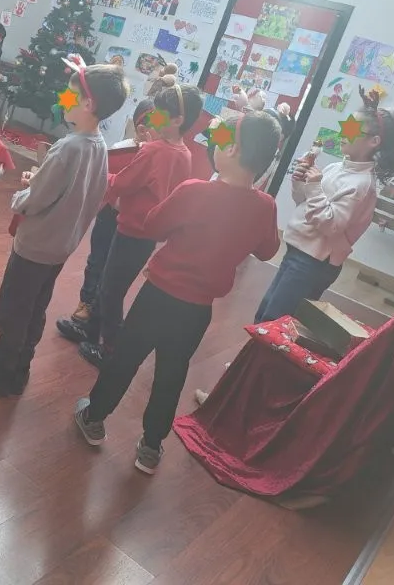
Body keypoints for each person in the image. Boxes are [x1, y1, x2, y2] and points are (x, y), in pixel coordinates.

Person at [74, 112, 283, 474]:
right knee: (172, 374)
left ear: (233, 149)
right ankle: (151, 446)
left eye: (221, 140)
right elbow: (267, 251)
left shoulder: (195, 191)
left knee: (126, 358)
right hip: (198, 310)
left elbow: (154, 225)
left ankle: (94, 418)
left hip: (158, 295)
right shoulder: (266, 206)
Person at [0, 61, 128, 397]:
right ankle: (20, 367)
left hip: (36, 245)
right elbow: (86, 194)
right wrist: (40, 181)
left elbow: (34, 201)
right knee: (35, 307)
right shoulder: (99, 147)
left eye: (71, 94)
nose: (63, 97)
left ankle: (2, 370)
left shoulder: (68, 147)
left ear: (88, 103)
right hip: (60, 246)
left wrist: (22, 194)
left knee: (13, 308)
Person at [73, 80, 203, 367]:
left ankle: (110, 349)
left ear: (177, 120)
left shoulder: (154, 151)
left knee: (111, 291)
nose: (152, 118)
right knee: (110, 283)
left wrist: (97, 172)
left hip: (132, 229)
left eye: (159, 113)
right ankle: (90, 331)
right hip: (146, 234)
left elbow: (122, 183)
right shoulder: (184, 153)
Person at [255, 88, 394, 323]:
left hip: (314, 262)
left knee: (277, 321)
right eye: (346, 125)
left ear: (374, 142)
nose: (343, 133)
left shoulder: (362, 185)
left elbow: (332, 225)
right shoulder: (336, 168)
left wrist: (314, 187)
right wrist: (300, 181)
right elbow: (304, 205)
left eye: (353, 129)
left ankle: (261, 347)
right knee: (266, 310)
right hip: (300, 251)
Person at [56, 98, 156, 339]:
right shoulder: (121, 148)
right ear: (139, 126)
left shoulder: (159, 155)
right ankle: (86, 305)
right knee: (97, 261)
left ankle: (98, 319)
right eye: (145, 126)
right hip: (110, 215)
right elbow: (106, 180)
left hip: (132, 225)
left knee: (113, 273)